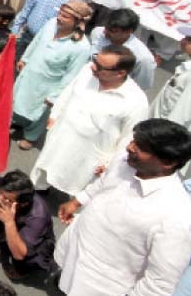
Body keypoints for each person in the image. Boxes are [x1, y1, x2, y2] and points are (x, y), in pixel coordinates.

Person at [55, 119, 191, 296]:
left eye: (141, 147)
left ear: (168, 162)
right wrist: (78, 201)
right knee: (65, 283)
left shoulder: (177, 219)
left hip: (98, 286)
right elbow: (104, 181)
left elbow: (158, 284)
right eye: (134, 140)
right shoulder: (128, 161)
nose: (130, 147)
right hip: (76, 249)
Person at [31, 45, 149, 195]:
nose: (93, 67)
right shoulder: (87, 71)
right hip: (61, 135)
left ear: (120, 73)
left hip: (88, 153)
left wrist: (108, 162)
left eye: (100, 67)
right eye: (95, 60)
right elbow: (68, 92)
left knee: (77, 184)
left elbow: (129, 138)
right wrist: (54, 115)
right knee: (44, 168)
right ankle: (38, 189)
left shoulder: (136, 101)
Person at [12, 1, 93, 150]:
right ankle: (17, 121)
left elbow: (71, 75)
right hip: (29, 73)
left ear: (77, 22)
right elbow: (36, 41)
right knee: (17, 99)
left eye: (65, 17)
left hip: (47, 86)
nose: (59, 18)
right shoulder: (51, 24)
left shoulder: (82, 47)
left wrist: (55, 96)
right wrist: (25, 58)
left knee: (38, 113)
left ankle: (30, 136)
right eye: (60, 14)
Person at [150, 26, 191, 144]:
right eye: (185, 37)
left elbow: (180, 117)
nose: (183, 41)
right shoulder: (190, 67)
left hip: (160, 141)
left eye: (190, 40)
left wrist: (156, 141)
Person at [90, 9, 155, 90]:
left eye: (112, 31)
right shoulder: (97, 33)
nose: (105, 32)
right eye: (106, 27)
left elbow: (141, 86)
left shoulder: (143, 58)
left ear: (128, 31)